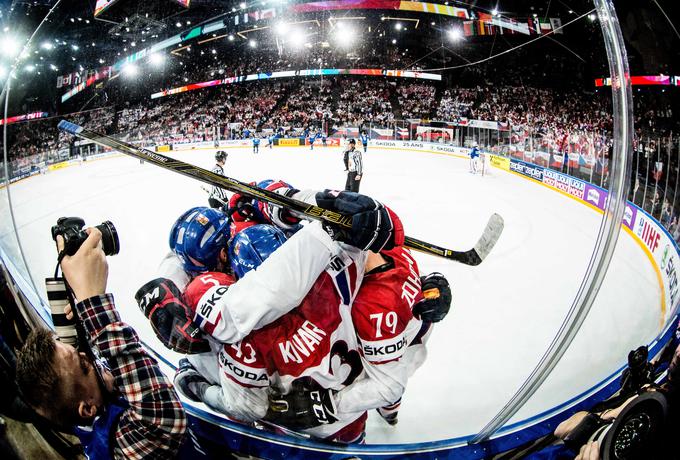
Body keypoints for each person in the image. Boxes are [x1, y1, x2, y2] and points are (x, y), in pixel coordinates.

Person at [16, 229, 187, 459]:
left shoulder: (80, 408)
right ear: (87, 408)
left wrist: (80, 301)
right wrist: (94, 305)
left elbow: (71, 365)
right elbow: (162, 416)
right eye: (84, 366)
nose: (90, 357)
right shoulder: (122, 445)